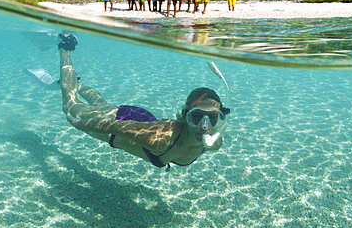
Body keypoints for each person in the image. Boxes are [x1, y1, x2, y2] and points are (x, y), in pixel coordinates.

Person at [56, 33, 228, 169]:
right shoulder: (159, 140)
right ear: (185, 116)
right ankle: (65, 47)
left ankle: (74, 83)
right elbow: (111, 126)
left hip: (143, 119)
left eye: (212, 118)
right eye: (196, 117)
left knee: (102, 107)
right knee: (70, 108)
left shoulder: (215, 142)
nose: (204, 126)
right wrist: (79, 123)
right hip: (124, 124)